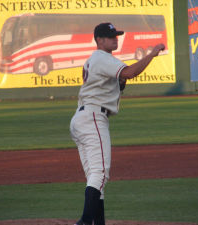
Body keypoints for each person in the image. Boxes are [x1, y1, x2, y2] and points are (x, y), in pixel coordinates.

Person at [70, 22, 165, 225]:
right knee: (100, 174)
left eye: (116, 35)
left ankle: (98, 223)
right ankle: (85, 222)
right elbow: (129, 73)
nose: (116, 39)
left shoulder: (96, 60)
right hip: (93, 118)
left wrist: (119, 85)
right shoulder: (102, 58)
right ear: (99, 40)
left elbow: (114, 84)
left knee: (95, 179)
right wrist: (152, 53)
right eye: (111, 36)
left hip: (82, 119)